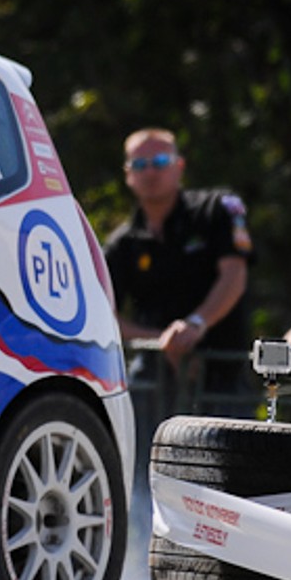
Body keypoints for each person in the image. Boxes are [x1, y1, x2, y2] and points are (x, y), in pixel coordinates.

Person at [103, 127, 255, 410]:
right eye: (140, 164)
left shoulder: (216, 210)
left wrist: (195, 325)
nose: (150, 172)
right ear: (128, 174)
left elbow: (235, 275)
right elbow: (105, 318)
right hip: (152, 382)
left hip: (222, 377)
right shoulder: (121, 243)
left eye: (160, 162)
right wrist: (163, 341)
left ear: (179, 166)